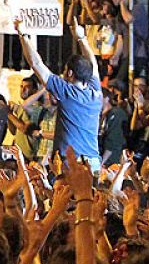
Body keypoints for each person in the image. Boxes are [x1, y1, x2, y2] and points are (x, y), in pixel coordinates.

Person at [17, 18, 102, 172]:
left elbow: (36, 64)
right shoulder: (95, 92)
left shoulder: (68, 93)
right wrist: (81, 38)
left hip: (72, 163)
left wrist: (22, 34)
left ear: (69, 73)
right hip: (93, 161)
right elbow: (93, 65)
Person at [110, 0, 149, 80]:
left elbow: (129, 19)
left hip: (138, 53)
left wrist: (122, 4)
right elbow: (120, 37)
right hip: (126, 54)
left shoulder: (137, 8)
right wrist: (116, 55)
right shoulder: (120, 14)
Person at [7, 76, 42, 161]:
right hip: (18, 155)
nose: (23, 89)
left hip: (29, 157)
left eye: (27, 87)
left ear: (34, 90)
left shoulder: (36, 108)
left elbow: (24, 128)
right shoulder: (21, 108)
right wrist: (9, 114)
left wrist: (8, 114)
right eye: (22, 86)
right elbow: (13, 131)